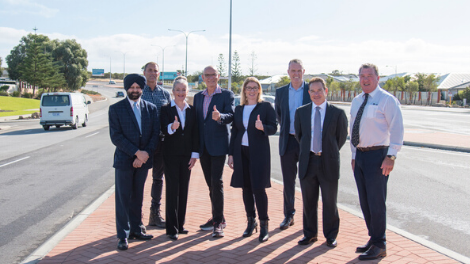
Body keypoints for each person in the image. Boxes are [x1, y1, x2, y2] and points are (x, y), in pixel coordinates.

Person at [350, 63, 404, 260]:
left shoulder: (387, 100)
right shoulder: (356, 101)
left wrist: (391, 156)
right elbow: (353, 130)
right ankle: (373, 238)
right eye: (362, 75)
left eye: (369, 75)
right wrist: (354, 156)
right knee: (364, 201)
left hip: (378, 156)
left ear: (377, 78)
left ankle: (380, 243)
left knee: (376, 201)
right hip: (361, 156)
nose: (365, 79)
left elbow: (397, 128)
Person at [294, 78, 348, 247]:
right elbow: (300, 136)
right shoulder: (301, 112)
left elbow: (340, 138)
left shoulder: (337, 113)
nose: (316, 94)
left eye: (319, 90)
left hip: (328, 162)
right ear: (309, 93)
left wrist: (327, 151)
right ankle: (310, 234)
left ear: (326, 91)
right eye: (312, 91)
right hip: (308, 162)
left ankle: (331, 235)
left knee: (330, 202)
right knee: (308, 202)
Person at [108, 74, 158, 250]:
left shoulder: (151, 109)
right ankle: (123, 235)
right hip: (124, 161)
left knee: (137, 197)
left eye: (138, 87)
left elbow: (154, 135)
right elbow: (116, 137)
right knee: (123, 199)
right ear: (126, 88)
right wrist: (137, 153)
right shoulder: (116, 109)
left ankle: (137, 229)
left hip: (143, 161)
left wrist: (144, 155)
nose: (135, 90)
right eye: (132, 87)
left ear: (142, 89)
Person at [227, 77, 277, 242]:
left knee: (258, 189)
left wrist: (263, 128)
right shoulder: (240, 109)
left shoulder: (265, 107)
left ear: (259, 90)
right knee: (246, 189)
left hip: (259, 153)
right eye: (249, 87)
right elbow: (235, 132)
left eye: (255, 87)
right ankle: (251, 221)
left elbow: (274, 127)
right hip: (241, 152)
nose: (252, 90)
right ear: (244, 90)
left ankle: (264, 225)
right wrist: (231, 154)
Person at [193, 66, 234, 237]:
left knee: (216, 183)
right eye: (207, 75)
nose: (210, 78)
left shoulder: (226, 95)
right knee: (211, 184)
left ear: (218, 77)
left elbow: (231, 115)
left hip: (218, 147)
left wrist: (221, 117)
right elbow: (196, 123)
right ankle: (219, 216)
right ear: (203, 77)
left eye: (213, 75)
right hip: (203, 148)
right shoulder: (197, 97)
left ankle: (218, 222)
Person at [160, 76, 199, 240]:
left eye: (183, 90)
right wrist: (172, 126)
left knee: (183, 189)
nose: (181, 93)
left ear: (187, 91)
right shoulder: (165, 109)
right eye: (178, 90)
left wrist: (194, 155)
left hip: (187, 156)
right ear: (173, 92)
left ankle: (180, 224)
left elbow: (195, 133)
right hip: (170, 156)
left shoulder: (191, 110)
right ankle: (171, 228)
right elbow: (163, 128)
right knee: (172, 190)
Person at [274, 59, 311, 230]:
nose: (296, 74)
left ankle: (309, 218)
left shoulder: (311, 89)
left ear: (304, 71)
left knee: (307, 181)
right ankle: (289, 215)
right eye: (293, 71)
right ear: (288, 72)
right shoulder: (281, 92)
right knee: (288, 182)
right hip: (287, 141)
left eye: (299, 71)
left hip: (306, 143)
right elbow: (280, 115)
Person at [141, 62, 171, 229]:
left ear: (159, 74)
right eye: (150, 70)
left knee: (158, 178)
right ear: (144, 72)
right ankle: (137, 215)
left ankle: (155, 214)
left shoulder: (165, 94)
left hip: (161, 142)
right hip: (143, 144)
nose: (153, 73)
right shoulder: (138, 92)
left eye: (156, 71)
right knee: (139, 179)